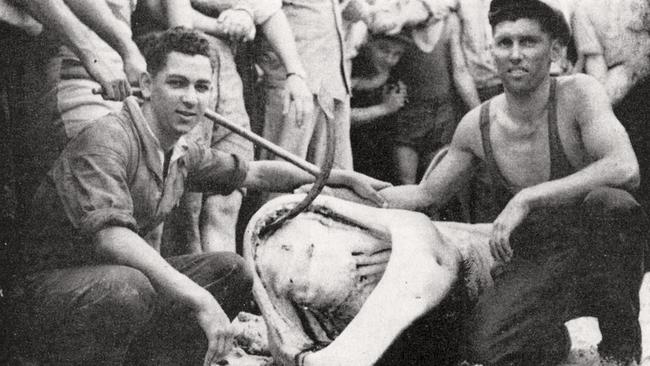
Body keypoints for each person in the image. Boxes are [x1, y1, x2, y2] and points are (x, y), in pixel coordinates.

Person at [6, 27, 389, 365]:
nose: (191, 98)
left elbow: (253, 171)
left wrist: (337, 176)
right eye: (177, 83)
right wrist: (199, 298)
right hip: (42, 294)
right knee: (130, 286)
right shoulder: (109, 138)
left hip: (108, 287)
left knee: (231, 270)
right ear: (146, 85)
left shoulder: (180, 150)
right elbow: (110, 237)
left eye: (202, 87)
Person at [300, 0, 648, 364]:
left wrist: (526, 198)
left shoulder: (579, 94)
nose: (515, 54)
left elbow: (624, 167)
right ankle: (548, 336)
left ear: (555, 50)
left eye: (528, 42)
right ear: (492, 51)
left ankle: (620, 350)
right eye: (504, 42)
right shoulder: (478, 125)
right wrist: (349, 185)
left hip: (592, 247)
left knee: (612, 206)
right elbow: (425, 194)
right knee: (487, 347)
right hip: (537, 254)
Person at [349, 32, 409, 183]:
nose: (389, 59)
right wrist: (384, 108)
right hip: (353, 148)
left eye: (397, 54)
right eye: (383, 50)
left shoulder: (396, 73)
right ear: (368, 42)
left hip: (381, 150)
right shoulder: (352, 68)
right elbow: (342, 117)